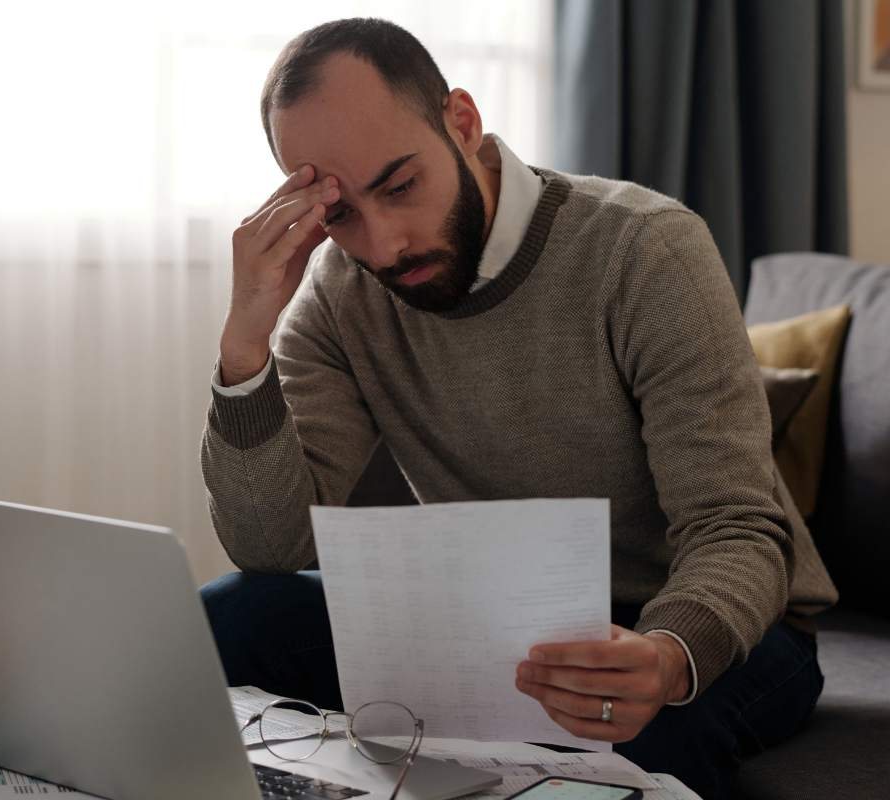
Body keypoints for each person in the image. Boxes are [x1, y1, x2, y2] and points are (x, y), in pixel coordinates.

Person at [198, 18, 836, 800]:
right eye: (341, 214)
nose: (386, 243)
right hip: (495, 617)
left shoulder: (645, 251)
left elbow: (736, 527)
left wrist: (667, 656)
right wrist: (244, 348)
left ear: (461, 123)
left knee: (644, 729)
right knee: (231, 615)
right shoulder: (341, 295)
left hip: (705, 619)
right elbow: (271, 544)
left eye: (400, 186)